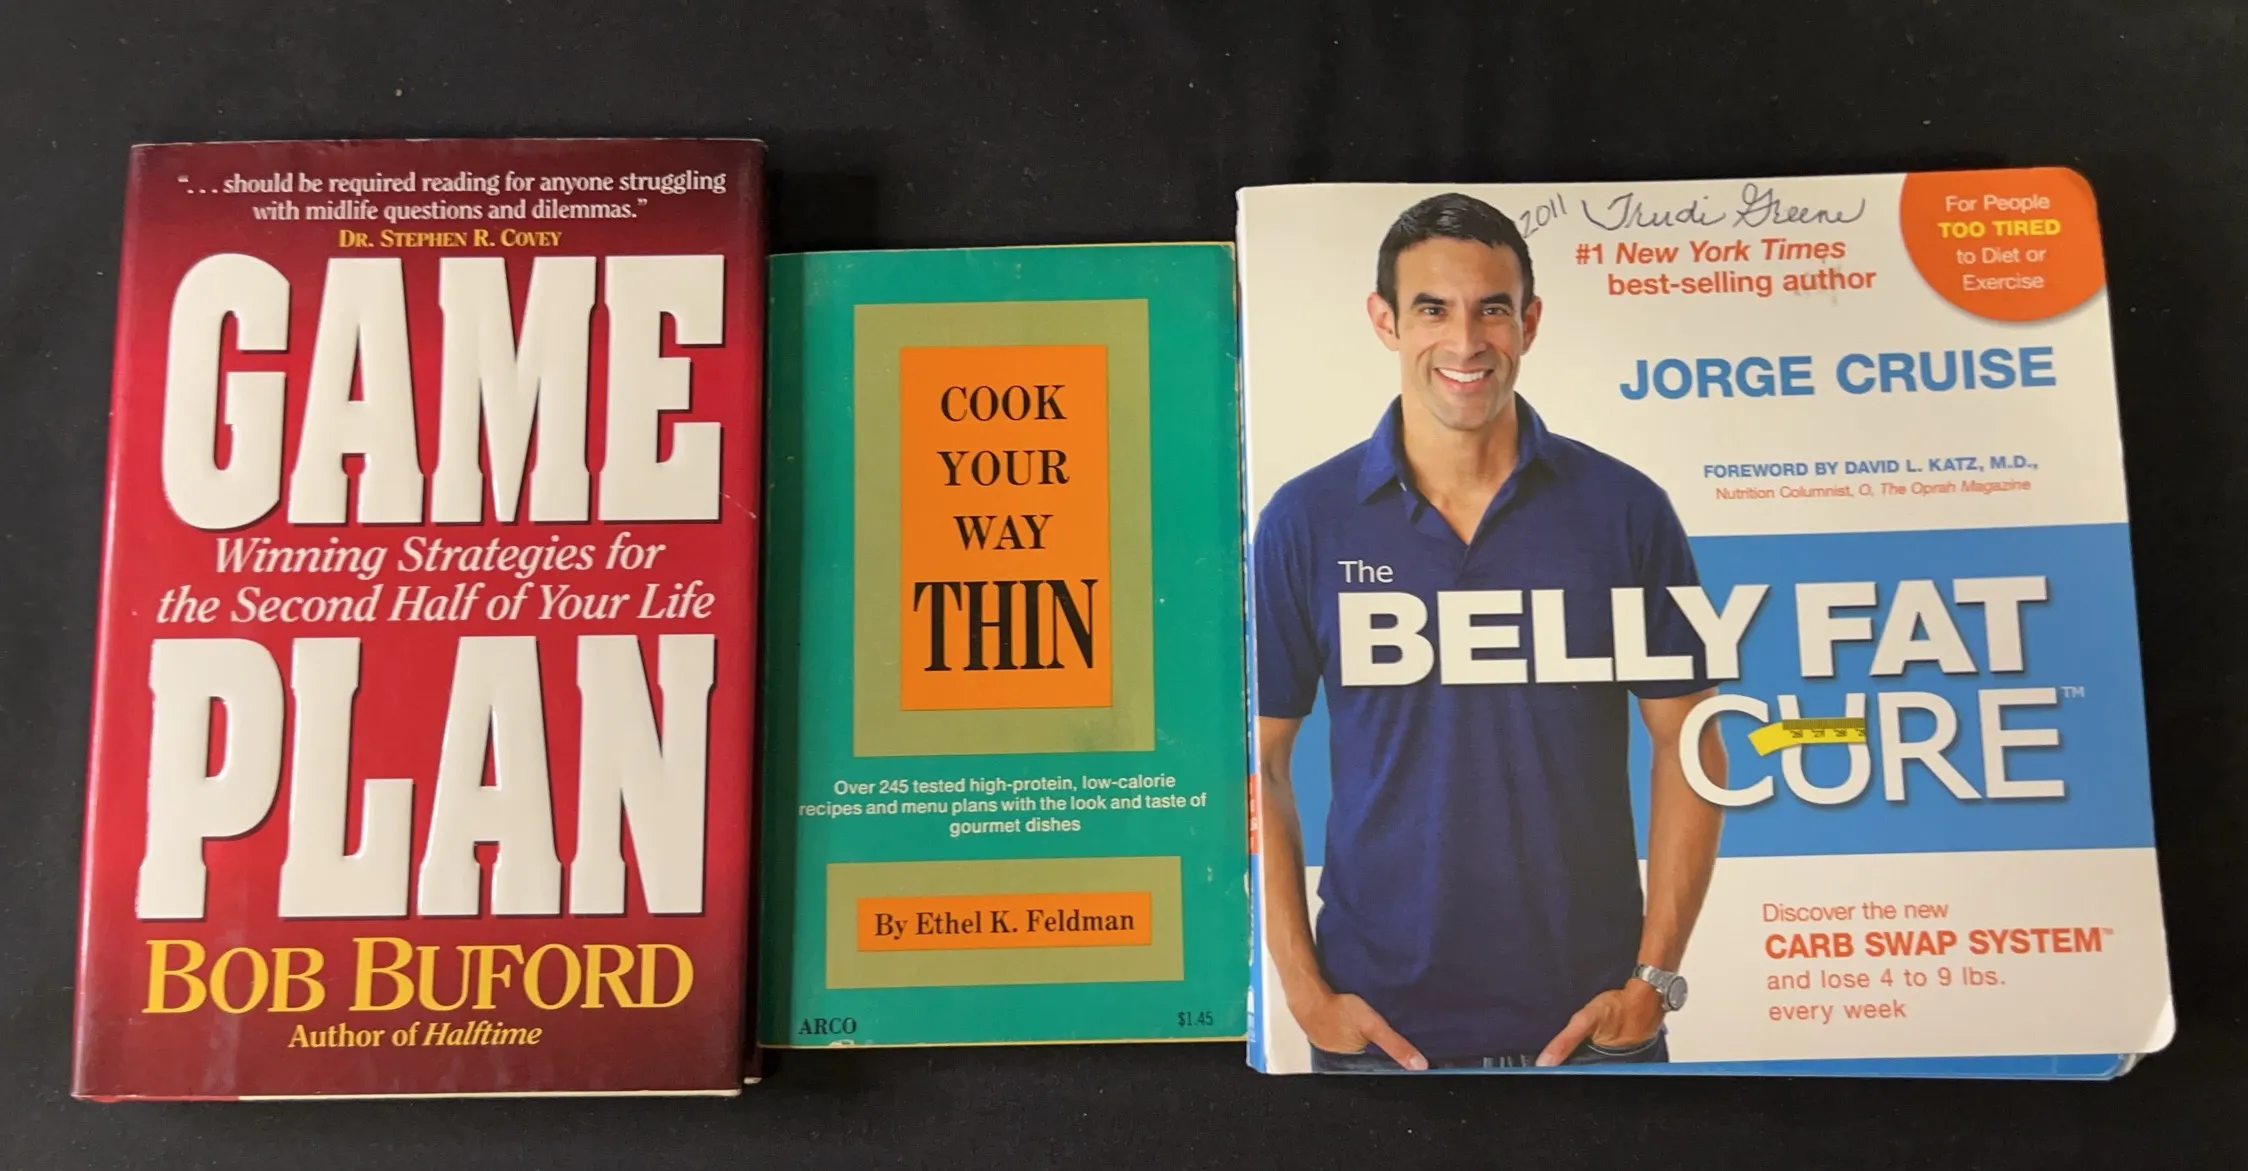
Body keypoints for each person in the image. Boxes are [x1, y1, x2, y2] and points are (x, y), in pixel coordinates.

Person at [1253, 192, 1728, 1071]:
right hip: (1378, 1033)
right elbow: (1262, 763)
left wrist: (1653, 980)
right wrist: (1303, 990)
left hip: (1596, 1030)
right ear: (1386, 321)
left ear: (1529, 322)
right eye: (1433, 309)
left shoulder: (1624, 510)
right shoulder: (1305, 521)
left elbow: (1691, 742)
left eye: (1493, 309)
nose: (1466, 341)